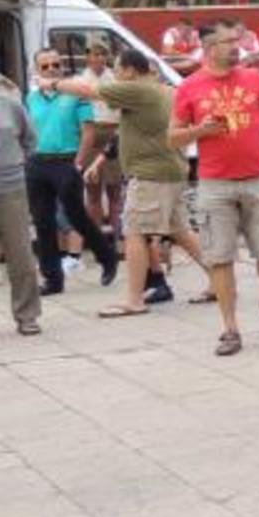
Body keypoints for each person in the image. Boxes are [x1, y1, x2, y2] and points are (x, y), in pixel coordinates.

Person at [168, 23, 259, 356]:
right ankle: (230, 328)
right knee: (220, 256)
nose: (237, 46)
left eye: (237, 40)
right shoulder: (188, 87)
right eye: (229, 41)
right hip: (215, 184)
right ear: (210, 47)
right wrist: (201, 129)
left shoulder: (255, 79)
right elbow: (173, 137)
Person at [56, 49, 204, 318]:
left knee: (134, 233)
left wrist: (52, 83)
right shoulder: (166, 90)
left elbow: (88, 90)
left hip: (151, 175)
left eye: (118, 69)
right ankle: (220, 280)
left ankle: (134, 299)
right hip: (170, 171)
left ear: (131, 71)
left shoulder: (138, 90)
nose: (115, 74)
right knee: (181, 231)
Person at [24, 49, 119, 296]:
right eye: (45, 66)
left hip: (66, 161)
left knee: (76, 216)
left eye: (56, 64)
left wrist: (78, 163)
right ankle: (53, 278)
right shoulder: (32, 97)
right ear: (36, 70)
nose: (52, 68)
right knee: (43, 222)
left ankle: (107, 257)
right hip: (37, 162)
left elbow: (88, 129)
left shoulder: (75, 92)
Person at [0, 82, 41, 334]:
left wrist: (17, 164)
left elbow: (30, 140)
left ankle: (27, 315)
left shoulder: (10, 104)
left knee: (20, 254)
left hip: (10, 187)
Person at [75, 41, 125, 241]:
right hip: (90, 134)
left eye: (102, 54)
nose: (98, 59)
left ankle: (117, 237)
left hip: (113, 132)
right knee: (93, 192)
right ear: (87, 57)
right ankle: (95, 238)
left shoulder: (115, 78)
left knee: (115, 190)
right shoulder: (80, 80)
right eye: (94, 55)